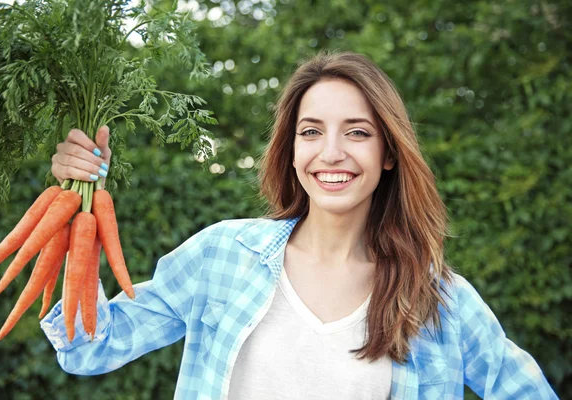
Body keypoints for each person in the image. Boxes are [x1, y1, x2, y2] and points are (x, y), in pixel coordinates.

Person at [43, 50, 558, 399]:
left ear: (388, 154)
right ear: (291, 152)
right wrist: (77, 208)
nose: (330, 153)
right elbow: (91, 348)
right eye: (311, 131)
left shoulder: (435, 297)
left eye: (357, 132)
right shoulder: (222, 255)